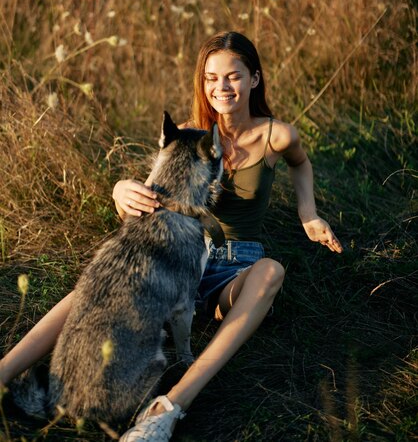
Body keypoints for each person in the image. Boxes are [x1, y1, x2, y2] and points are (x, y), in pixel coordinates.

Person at [0, 31, 343, 441]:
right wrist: (120, 192)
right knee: (90, 289)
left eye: (233, 76)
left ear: (254, 79)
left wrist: (308, 213)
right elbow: (148, 204)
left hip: (234, 272)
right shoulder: (186, 134)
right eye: (211, 78)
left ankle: (168, 407)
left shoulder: (276, 135)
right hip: (175, 257)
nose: (222, 87)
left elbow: (300, 165)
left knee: (271, 272)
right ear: (202, 83)